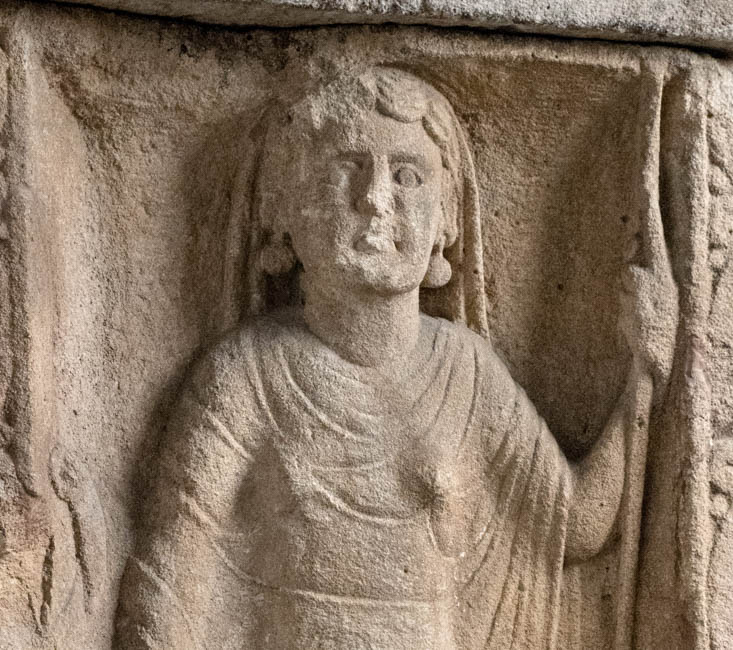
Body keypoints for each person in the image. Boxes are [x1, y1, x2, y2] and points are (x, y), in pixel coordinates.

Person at [115, 66, 677, 649]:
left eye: (407, 175)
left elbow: (576, 524)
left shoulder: (466, 373)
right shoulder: (248, 374)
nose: (376, 198)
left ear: (447, 217)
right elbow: (169, 581)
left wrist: (646, 369)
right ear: (284, 207)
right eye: (346, 168)